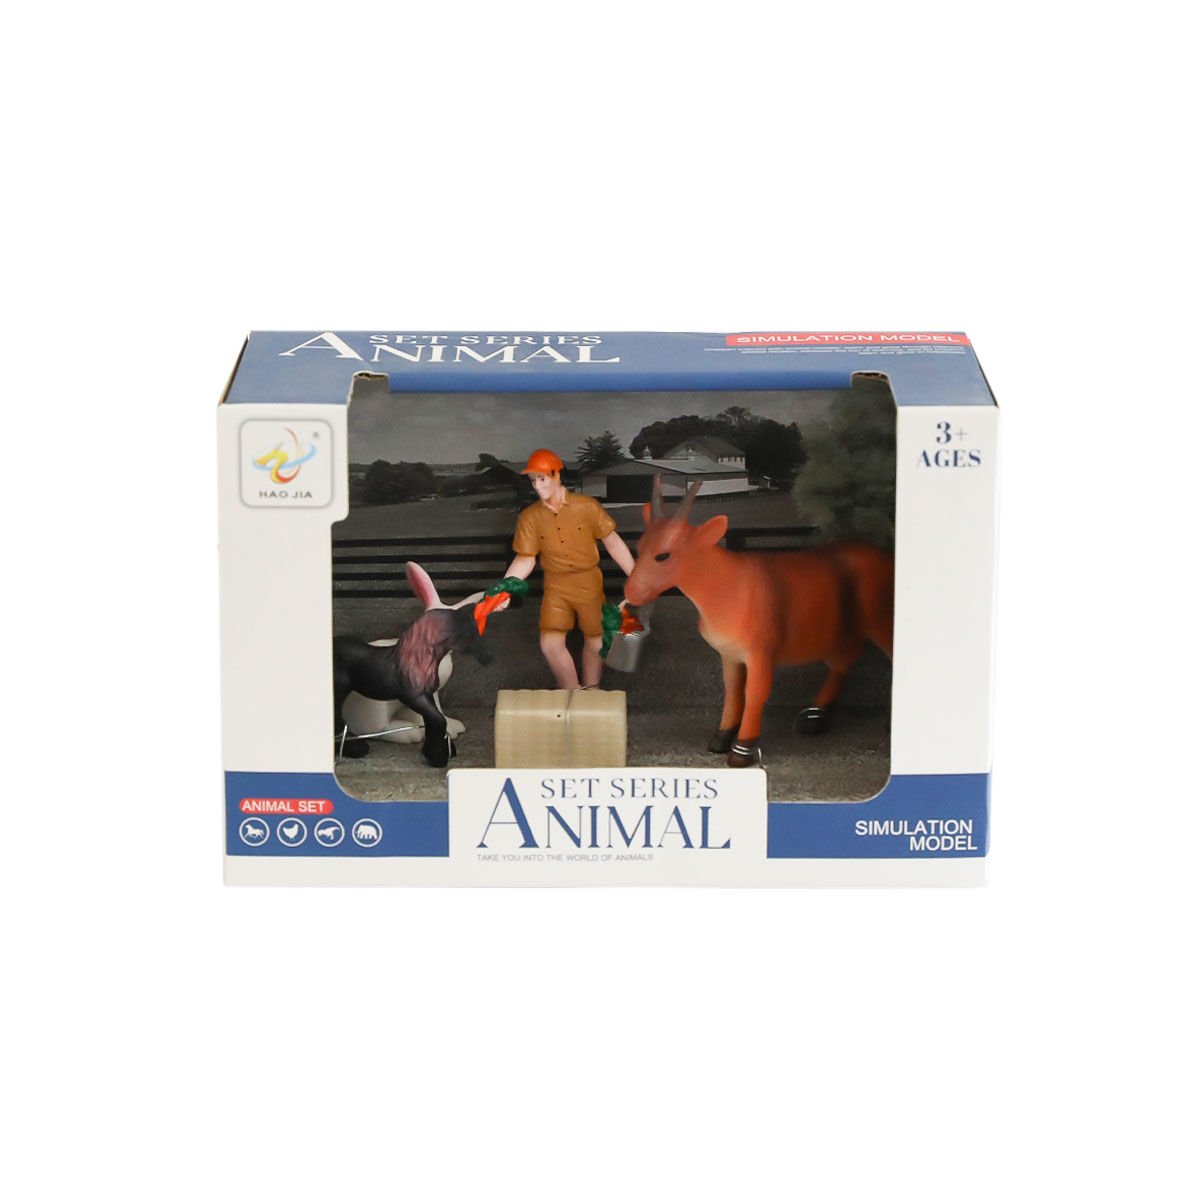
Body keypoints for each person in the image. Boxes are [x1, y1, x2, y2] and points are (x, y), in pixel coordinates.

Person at [500, 448, 635, 689]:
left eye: (542, 479)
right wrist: (504, 589)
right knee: (550, 645)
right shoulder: (530, 517)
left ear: (557, 475)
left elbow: (613, 542)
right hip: (556, 586)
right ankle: (571, 692)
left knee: (596, 638)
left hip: (588, 582)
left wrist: (636, 578)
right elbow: (525, 559)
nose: (537, 486)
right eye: (533, 480)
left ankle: (591, 689)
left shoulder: (587, 507)